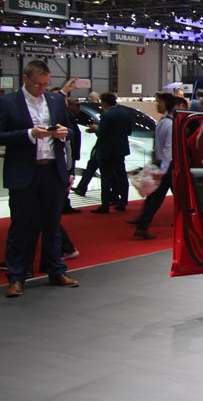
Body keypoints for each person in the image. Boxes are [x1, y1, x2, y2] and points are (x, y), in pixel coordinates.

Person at [1, 60, 78, 297]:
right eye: (38, 84)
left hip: (52, 171)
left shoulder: (54, 100)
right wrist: (28, 134)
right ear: (26, 79)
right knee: (21, 226)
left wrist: (65, 133)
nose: (42, 89)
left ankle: (56, 270)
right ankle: (17, 276)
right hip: (24, 172)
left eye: (46, 84)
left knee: (52, 225)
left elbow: (71, 130)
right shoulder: (8, 102)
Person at [127, 92, 176, 239]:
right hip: (166, 166)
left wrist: (161, 166)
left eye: (159, 102)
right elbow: (167, 149)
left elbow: (166, 148)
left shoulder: (166, 122)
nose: (157, 105)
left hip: (164, 165)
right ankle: (142, 226)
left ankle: (142, 223)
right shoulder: (167, 123)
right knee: (156, 198)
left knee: (155, 197)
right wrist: (163, 168)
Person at [90, 92, 132, 214]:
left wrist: (96, 129)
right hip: (120, 149)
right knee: (121, 176)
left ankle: (105, 205)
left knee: (106, 178)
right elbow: (129, 131)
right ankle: (123, 202)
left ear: (104, 102)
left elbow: (101, 133)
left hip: (107, 150)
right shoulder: (124, 113)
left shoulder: (107, 115)